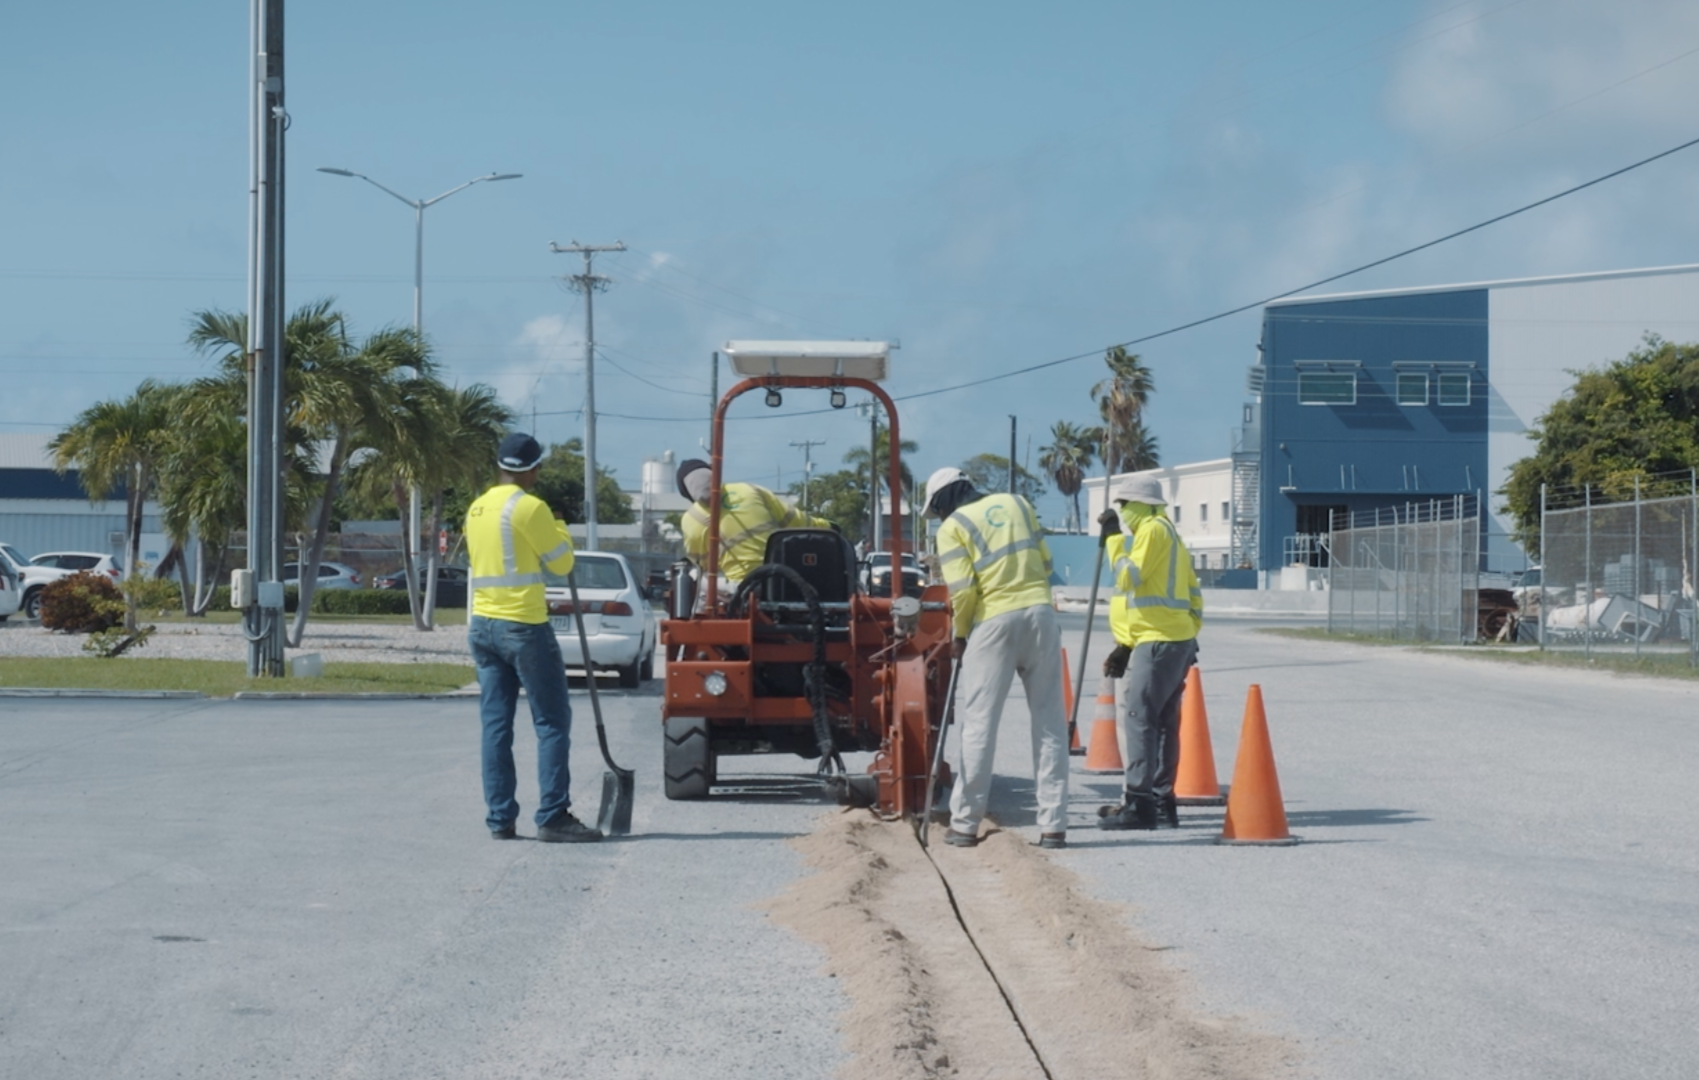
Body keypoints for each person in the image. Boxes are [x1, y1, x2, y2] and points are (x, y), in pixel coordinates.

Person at [465, 432, 602, 843]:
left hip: (483, 625)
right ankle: (553, 815)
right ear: (534, 469)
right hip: (523, 626)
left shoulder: (477, 507)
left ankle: (500, 819)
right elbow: (562, 564)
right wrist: (560, 527)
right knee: (552, 722)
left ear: (500, 465)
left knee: (495, 726)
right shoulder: (530, 507)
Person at [923, 466, 1070, 851]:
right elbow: (1048, 564)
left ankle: (965, 825)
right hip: (1040, 615)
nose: (938, 517)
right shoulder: (1018, 503)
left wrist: (959, 635)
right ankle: (1053, 827)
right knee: (1050, 724)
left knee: (979, 725)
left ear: (942, 500)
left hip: (993, 623)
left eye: (935, 509)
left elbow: (963, 590)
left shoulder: (952, 528)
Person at [1096, 474, 1203, 831]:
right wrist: (1127, 644)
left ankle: (1139, 804)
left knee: (1140, 719)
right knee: (1161, 722)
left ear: (1142, 503)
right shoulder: (1170, 536)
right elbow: (1192, 594)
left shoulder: (1153, 530)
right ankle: (1160, 802)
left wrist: (1113, 541)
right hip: (1169, 638)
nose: (1122, 511)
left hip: (1159, 641)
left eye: (1124, 504)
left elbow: (1130, 577)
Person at [675, 458, 832, 586]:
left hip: (740, 586)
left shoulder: (691, 519)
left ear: (686, 493)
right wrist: (829, 527)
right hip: (782, 577)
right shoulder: (750, 490)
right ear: (714, 474)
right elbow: (798, 522)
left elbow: (703, 564)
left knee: (696, 575)